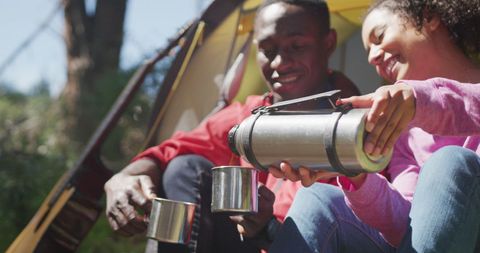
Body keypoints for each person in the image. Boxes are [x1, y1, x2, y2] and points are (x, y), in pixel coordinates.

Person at [103, 0, 361, 253]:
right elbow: (170, 153)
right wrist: (125, 178)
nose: (279, 62)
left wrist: (268, 229)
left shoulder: (358, 128)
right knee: (184, 168)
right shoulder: (248, 115)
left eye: (296, 46)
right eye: (268, 49)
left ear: (328, 43)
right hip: (245, 240)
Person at [267, 0, 480, 252]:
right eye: (368, 51)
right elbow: (404, 225)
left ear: (429, 17)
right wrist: (354, 170)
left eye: (379, 36)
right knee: (318, 198)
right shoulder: (404, 135)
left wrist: (417, 98)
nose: (372, 57)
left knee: (448, 161)